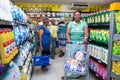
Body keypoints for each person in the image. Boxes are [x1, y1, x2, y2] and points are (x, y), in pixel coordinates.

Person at [61, 11, 88, 80]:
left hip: (81, 44)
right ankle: (70, 74)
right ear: (73, 16)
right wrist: (69, 39)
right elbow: (67, 33)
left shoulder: (84, 23)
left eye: (78, 15)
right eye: (75, 15)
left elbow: (86, 34)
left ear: (80, 16)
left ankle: (78, 73)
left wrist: (85, 39)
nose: (77, 16)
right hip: (72, 44)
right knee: (71, 59)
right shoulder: (70, 24)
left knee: (80, 59)